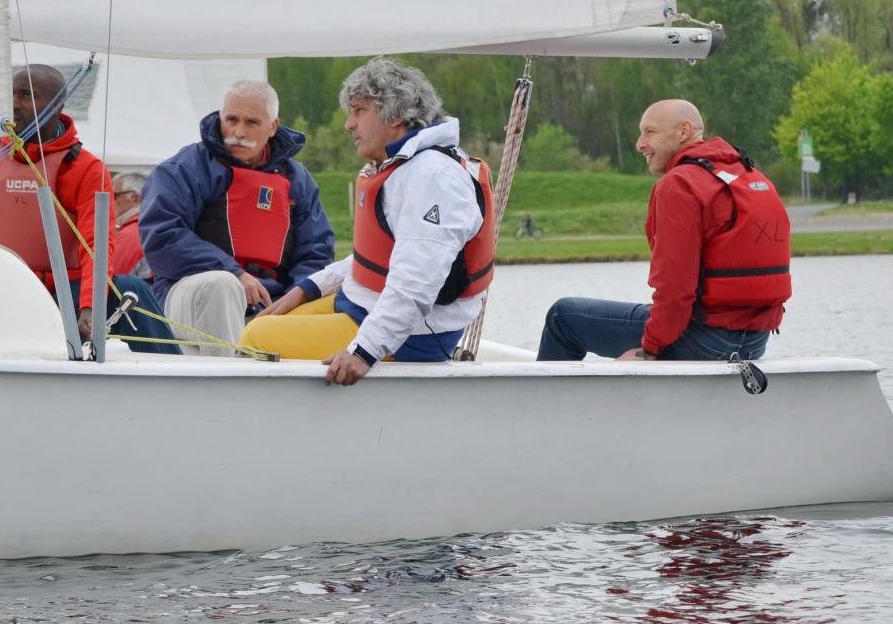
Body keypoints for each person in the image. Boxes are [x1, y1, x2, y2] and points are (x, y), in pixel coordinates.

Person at [240, 58, 496, 386]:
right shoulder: (402, 166)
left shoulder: (433, 178)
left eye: (359, 111)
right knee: (267, 319)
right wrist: (307, 289)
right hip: (363, 305)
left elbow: (417, 280)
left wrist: (363, 352)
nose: (349, 124)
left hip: (411, 335)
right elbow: (381, 256)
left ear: (396, 115)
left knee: (256, 338)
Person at [0, 64, 178, 353]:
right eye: (10, 94)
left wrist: (91, 306)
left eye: (26, 95)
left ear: (57, 104)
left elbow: (96, 247)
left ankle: (174, 373)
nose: (14, 103)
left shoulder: (86, 169)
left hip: (58, 294)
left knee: (131, 289)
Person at [537, 99, 790, 362]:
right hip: (754, 342)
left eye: (650, 132)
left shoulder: (680, 184)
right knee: (658, 314)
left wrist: (649, 349)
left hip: (706, 341)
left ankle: (544, 391)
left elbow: (675, 289)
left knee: (563, 316)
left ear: (683, 131)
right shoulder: (749, 175)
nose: (640, 144)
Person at [139, 80, 334, 356]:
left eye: (252, 122)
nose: (239, 132)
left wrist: (294, 297)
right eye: (231, 120)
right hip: (188, 293)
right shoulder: (185, 168)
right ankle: (232, 375)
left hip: (270, 300)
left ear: (273, 126)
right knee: (223, 286)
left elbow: (316, 252)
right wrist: (234, 272)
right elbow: (161, 237)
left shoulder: (297, 180)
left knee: (329, 297)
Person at [112, 172, 150, 279]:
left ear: (135, 198)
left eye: (115, 196)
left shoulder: (132, 234)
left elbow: (109, 278)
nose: (111, 201)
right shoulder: (150, 226)